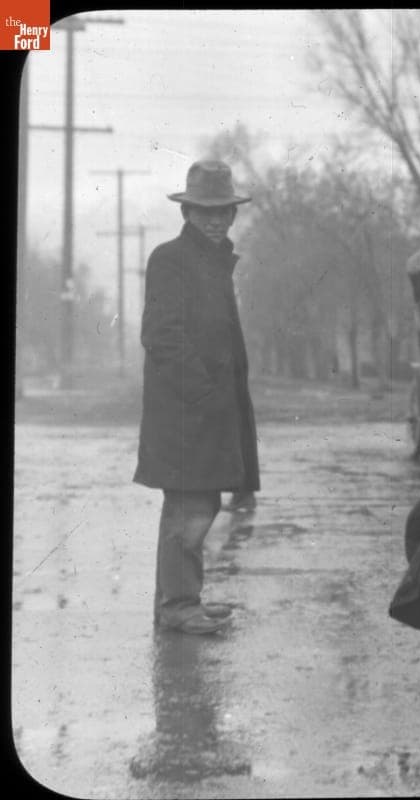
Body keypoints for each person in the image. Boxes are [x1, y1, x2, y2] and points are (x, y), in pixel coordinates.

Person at [134, 159, 259, 635]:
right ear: (187, 212)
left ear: (232, 214)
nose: (214, 220)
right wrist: (204, 394)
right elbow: (161, 335)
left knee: (199, 505)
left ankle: (179, 599)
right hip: (187, 413)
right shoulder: (171, 259)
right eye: (205, 211)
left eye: (223, 211)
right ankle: (178, 605)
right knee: (189, 510)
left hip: (207, 411)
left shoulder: (214, 262)